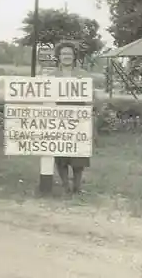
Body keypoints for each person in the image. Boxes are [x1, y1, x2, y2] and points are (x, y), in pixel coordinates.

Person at [50, 42, 92, 194]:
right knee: (60, 153)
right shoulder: (52, 75)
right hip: (58, 118)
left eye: (69, 54)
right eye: (63, 54)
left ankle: (77, 186)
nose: (66, 57)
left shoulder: (83, 74)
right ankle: (65, 185)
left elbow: (90, 97)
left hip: (78, 118)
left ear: (74, 56)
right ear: (58, 57)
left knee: (79, 153)